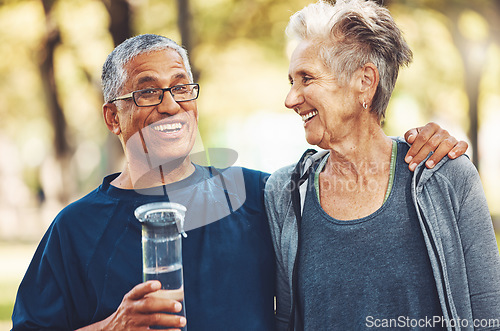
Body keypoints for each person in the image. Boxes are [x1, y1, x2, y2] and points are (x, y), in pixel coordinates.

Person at [12, 33, 466, 330]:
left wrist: (415, 149)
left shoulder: (260, 196)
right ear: (114, 116)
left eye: (181, 86)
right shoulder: (74, 229)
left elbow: (359, 209)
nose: (171, 105)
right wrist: (112, 327)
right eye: (148, 91)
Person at [264, 1, 500, 330]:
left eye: (306, 78)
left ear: (365, 81)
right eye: (291, 81)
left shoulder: (447, 177)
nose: (290, 99)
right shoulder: (284, 193)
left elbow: (489, 311)